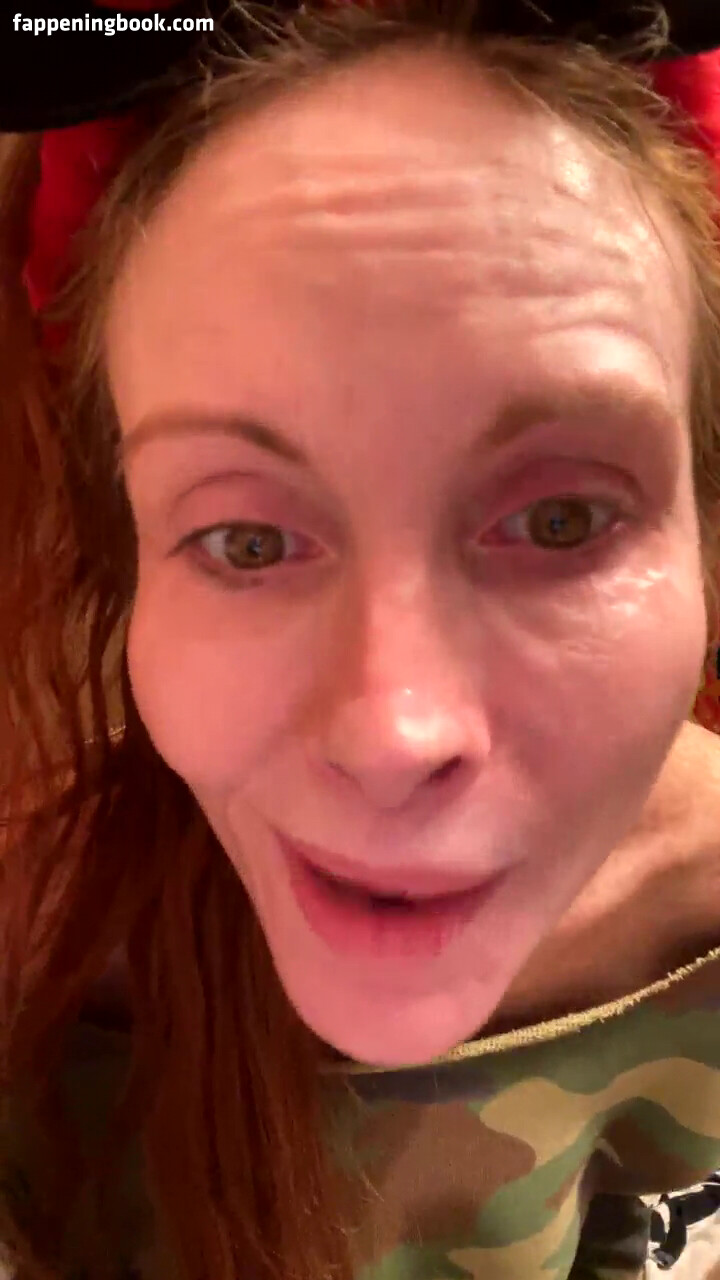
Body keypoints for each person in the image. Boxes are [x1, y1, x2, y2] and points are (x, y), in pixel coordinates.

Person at [2, 0, 720, 1277]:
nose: (395, 736)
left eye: (558, 519)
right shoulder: (31, 973)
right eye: (246, 540)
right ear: (128, 566)